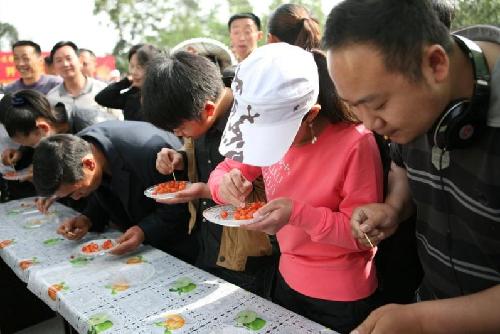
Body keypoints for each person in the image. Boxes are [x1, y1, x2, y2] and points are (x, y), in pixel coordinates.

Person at [322, 1, 500, 333]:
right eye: (355, 106)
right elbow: (401, 169)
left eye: (377, 105)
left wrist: (421, 321)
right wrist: (393, 208)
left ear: (436, 64)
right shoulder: (408, 103)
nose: (371, 125)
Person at [208, 43, 383, 333]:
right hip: (286, 279)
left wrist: (297, 214)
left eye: (276, 135)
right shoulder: (264, 125)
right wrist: (223, 186)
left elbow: (363, 235)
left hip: (340, 297)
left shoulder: (356, 143)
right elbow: (225, 169)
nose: (269, 145)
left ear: (311, 114)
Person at [142, 51, 276, 298]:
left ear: (208, 109)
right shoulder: (197, 111)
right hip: (208, 241)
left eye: (179, 128)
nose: (179, 134)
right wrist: (180, 158)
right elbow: (198, 150)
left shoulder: (251, 122)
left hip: (246, 254)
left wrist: (204, 190)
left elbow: (263, 195)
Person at [32, 120, 197, 262]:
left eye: (75, 192)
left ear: (89, 164)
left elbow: (181, 204)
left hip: (182, 241)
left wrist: (144, 230)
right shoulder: (82, 148)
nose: (75, 199)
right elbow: (104, 185)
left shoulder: (149, 152)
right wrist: (88, 218)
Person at [46, 41, 112, 119]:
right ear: (54, 66)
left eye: (69, 58)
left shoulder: (103, 89)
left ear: (80, 61)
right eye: (59, 60)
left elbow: (118, 122)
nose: (65, 64)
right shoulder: (51, 97)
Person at [95, 44, 159, 121]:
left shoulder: (163, 97)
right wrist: (125, 82)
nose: (133, 72)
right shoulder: (132, 95)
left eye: (139, 67)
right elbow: (101, 98)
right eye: (132, 66)